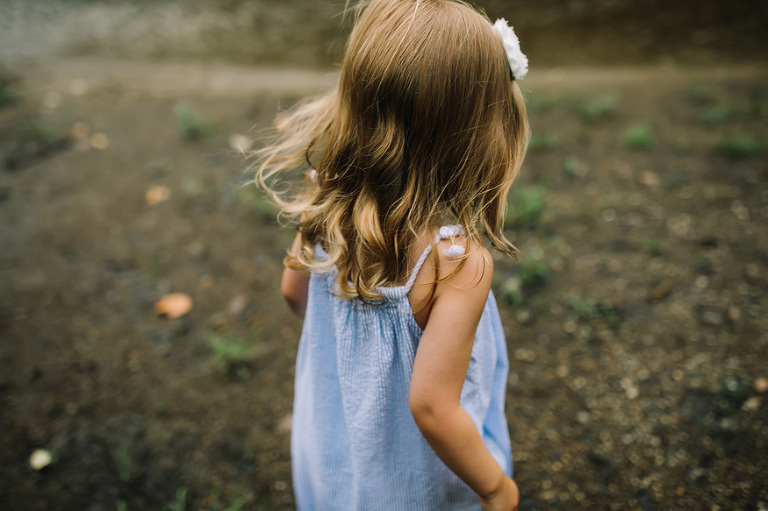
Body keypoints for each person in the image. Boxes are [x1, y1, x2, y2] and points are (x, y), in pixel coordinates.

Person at [254, 1, 529, 509]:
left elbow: (296, 297)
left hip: (337, 446)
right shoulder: (457, 264)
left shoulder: (323, 202)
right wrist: (495, 487)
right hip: (417, 477)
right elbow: (431, 407)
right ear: (477, 134)